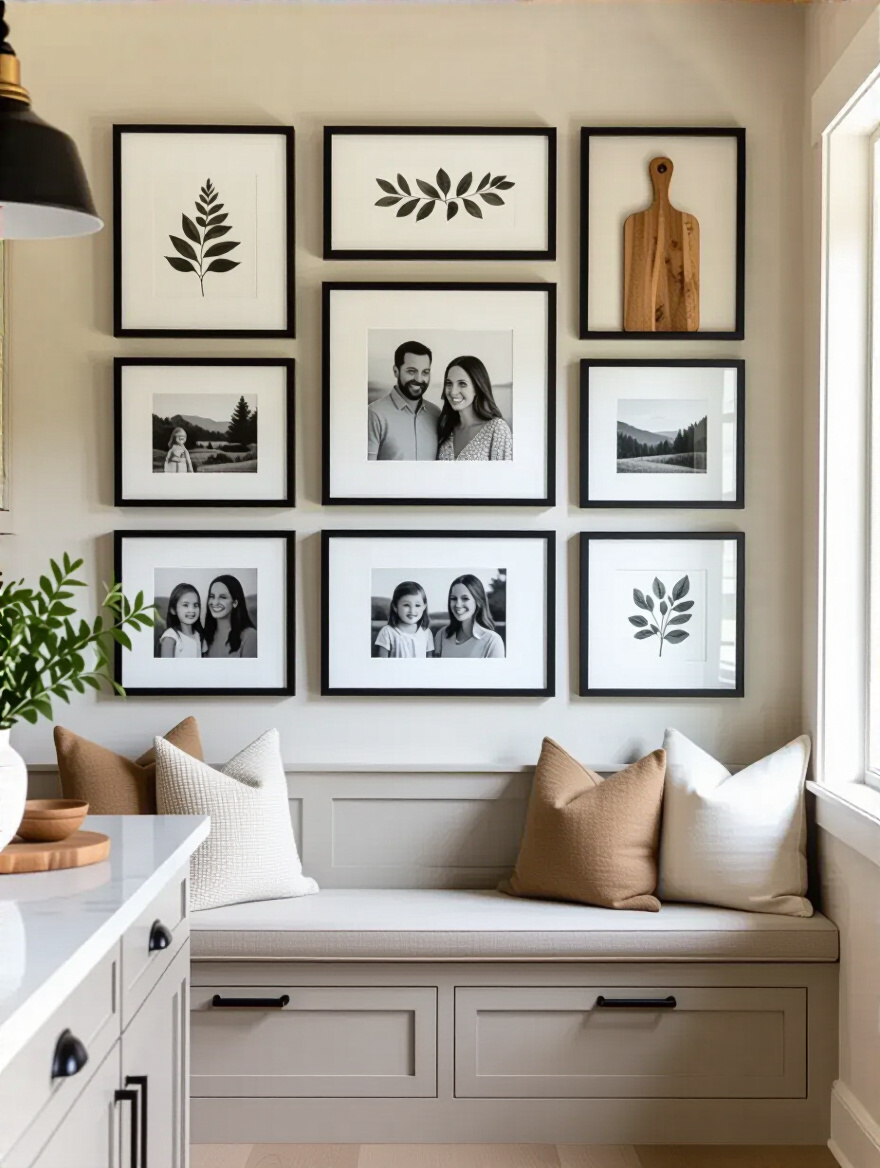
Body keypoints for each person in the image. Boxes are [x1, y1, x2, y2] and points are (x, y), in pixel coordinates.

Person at [368, 341, 440, 461]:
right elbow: (366, 471)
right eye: (411, 371)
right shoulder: (374, 415)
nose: (419, 379)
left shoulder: (436, 414)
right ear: (396, 371)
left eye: (425, 372)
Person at [437, 355, 513, 461]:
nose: (453, 392)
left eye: (462, 384)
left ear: (477, 387)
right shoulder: (445, 428)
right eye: (449, 383)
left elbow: (505, 476)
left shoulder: (497, 429)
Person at [433, 574, 505, 659]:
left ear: (478, 602)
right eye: (453, 598)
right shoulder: (441, 635)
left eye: (465, 598)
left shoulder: (492, 641)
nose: (458, 605)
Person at [375, 581, 435, 659]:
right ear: (395, 607)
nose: (412, 610)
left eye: (417, 605)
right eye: (406, 605)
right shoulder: (387, 632)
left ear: (424, 607)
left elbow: (429, 659)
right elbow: (382, 662)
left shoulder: (426, 632)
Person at [203, 574, 258, 659]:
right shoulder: (204, 636)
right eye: (212, 596)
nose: (215, 602)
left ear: (235, 603)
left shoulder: (250, 636)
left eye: (223, 597)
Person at [158, 582, 206, 658]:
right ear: (173, 610)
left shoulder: (200, 635)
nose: (192, 610)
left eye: (195, 605)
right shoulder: (170, 637)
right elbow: (166, 667)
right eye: (185, 605)